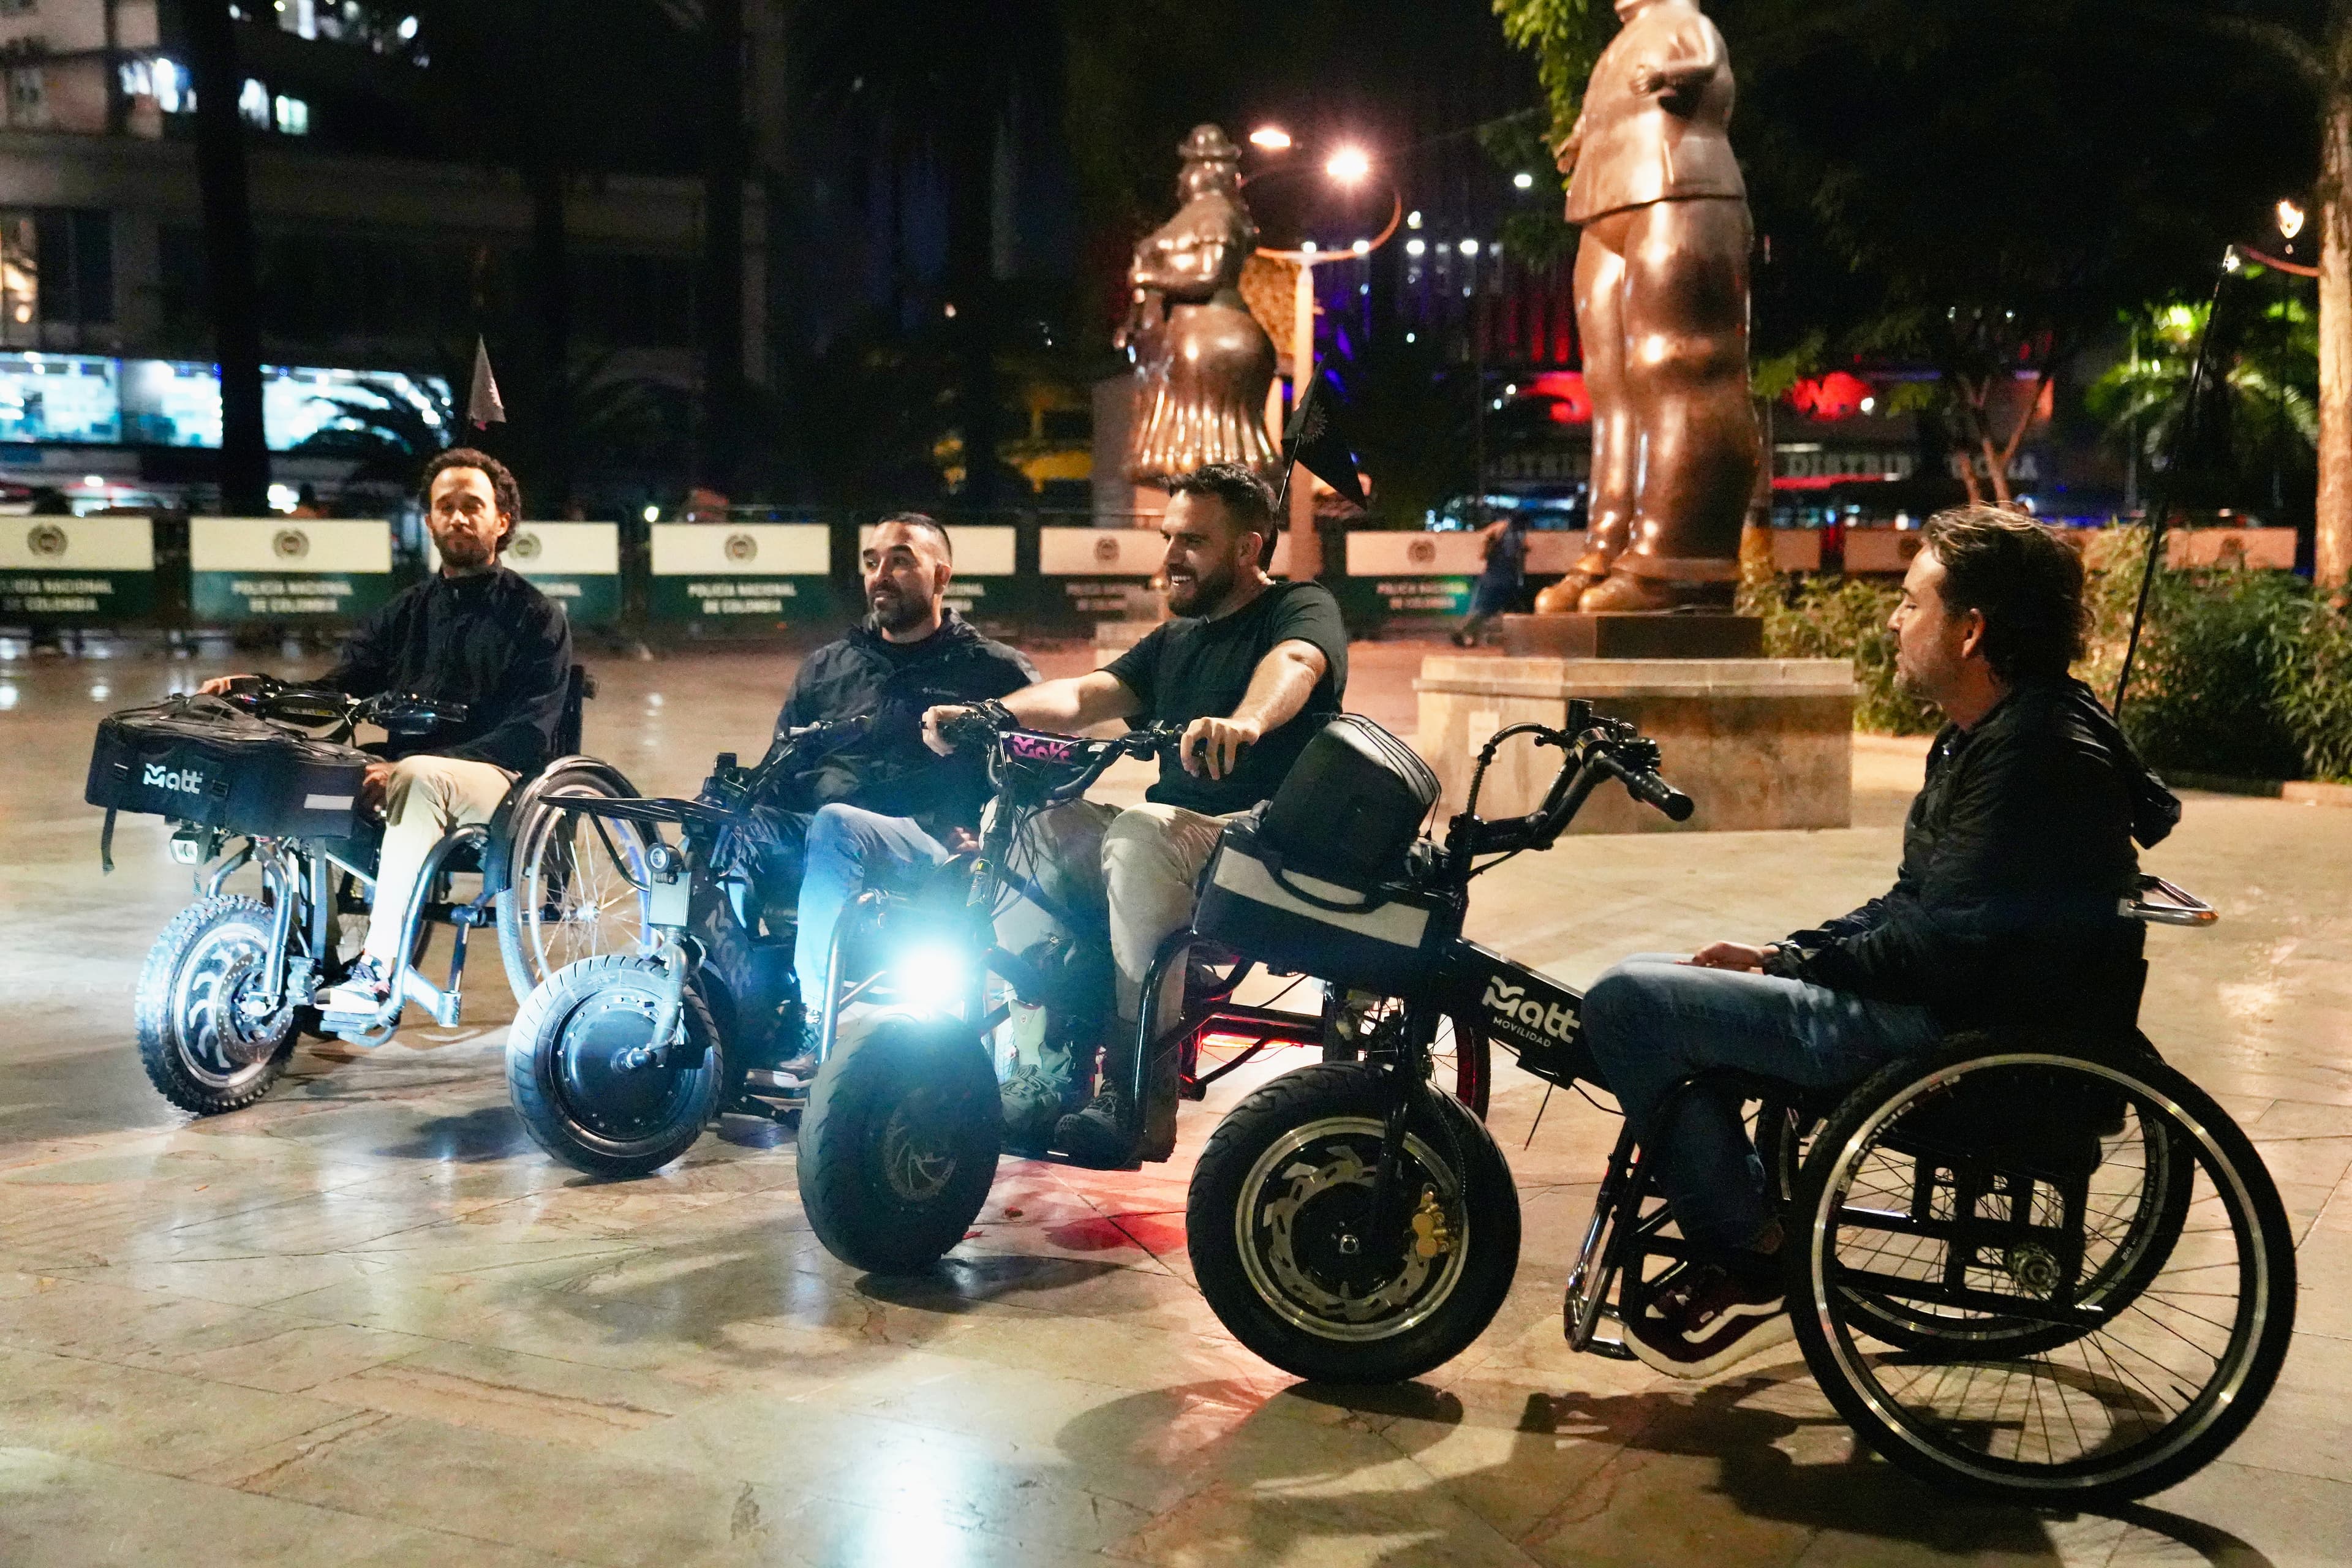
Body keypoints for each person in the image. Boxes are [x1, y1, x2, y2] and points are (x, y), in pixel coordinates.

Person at [1577, 505, 2178, 1377]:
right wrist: (1785, 954)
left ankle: (1747, 1249)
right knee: (1666, 980)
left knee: (1627, 1005)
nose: (1894, 620)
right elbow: (1915, 904)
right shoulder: (1995, 735)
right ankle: (1742, 1218)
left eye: (1910, 602)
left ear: (1972, 631)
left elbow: (1937, 947)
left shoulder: (2031, 758)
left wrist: (1801, 966)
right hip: (1952, 1010)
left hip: (1953, 1041)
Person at [922, 462, 1349, 1166]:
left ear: (1249, 547)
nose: (1172, 557)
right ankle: (1041, 1068)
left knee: (1139, 831)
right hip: (1167, 843)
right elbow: (1085, 697)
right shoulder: (1177, 640)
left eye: (1194, 541)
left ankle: (1136, 1094)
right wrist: (987, 714)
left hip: (1260, 842)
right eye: (1169, 536)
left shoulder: (1298, 607)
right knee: (1024, 818)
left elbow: (1297, 665)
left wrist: (1244, 723)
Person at [200, 448, 573, 1020]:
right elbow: (338, 690)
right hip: (402, 779)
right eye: (444, 507)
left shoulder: (536, 615)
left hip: (498, 782)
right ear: (428, 522)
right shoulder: (403, 613)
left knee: (420, 775)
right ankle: (300, 956)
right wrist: (256, 691)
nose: (458, 517)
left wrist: (413, 766)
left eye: (473, 505)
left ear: (502, 521)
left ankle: (377, 975)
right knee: (307, 782)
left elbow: (530, 732)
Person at [744, 513, 1036, 1076]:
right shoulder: (826, 669)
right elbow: (779, 775)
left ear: (942, 575)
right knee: (731, 825)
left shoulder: (994, 673)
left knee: (836, 823)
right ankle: (725, 1014)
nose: (882, 574)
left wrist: (995, 833)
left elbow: (1046, 775)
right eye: (873, 562)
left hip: (930, 848)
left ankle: (812, 1022)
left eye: (901, 560)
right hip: (822, 840)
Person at [1452, 511, 1528, 646]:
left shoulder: (1498, 530)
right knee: (1488, 610)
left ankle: (1467, 634)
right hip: (1504, 579)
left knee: (1482, 608)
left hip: (1490, 577)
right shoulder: (1512, 534)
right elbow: (1512, 554)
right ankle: (1463, 631)